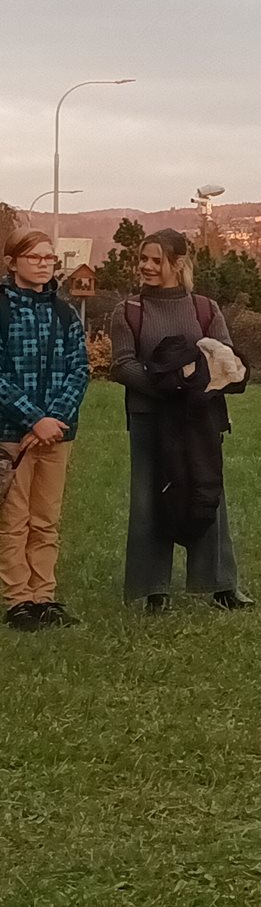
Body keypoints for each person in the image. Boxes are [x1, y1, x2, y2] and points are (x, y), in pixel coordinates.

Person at [111, 228, 252, 612]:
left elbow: (224, 358)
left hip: (200, 418)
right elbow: (121, 364)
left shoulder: (206, 309)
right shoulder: (128, 311)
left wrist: (192, 390)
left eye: (156, 260)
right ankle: (152, 589)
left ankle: (222, 585)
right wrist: (171, 387)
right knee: (148, 498)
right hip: (149, 419)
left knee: (209, 493)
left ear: (178, 264)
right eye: (143, 258)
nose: (146, 266)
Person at [0, 229, 89, 630]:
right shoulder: (3, 310)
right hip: (11, 433)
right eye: (34, 257)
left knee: (46, 519)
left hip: (57, 434)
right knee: (14, 519)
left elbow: (79, 369)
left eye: (49, 258)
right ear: (12, 262)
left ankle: (44, 595)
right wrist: (32, 419)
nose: (42, 264)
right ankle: (18, 598)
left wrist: (54, 419)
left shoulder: (65, 313)